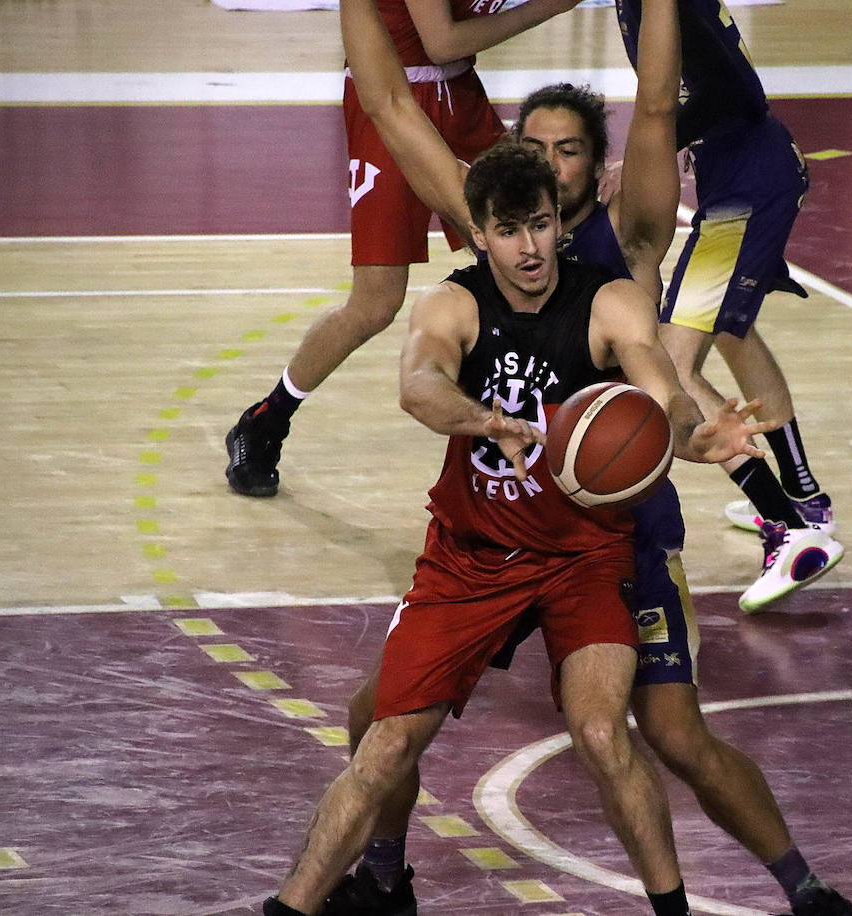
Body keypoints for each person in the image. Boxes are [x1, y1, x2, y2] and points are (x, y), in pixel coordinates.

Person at [317, 1, 852, 914]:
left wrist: (695, 433)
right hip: (497, 541)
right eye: (533, 147)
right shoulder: (497, 228)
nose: (550, 164)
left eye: (569, 149)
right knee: (375, 715)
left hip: (615, 545)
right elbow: (390, 103)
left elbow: (655, 105)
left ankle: (804, 890)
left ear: (595, 166)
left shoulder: (630, 243)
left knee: (675, 737)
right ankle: (383, 877)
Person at [262, 138, 775, 916]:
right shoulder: (453, 304)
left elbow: (660, 389)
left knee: (604, 735)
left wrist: (690, 436)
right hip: (472, 556)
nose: (528, 246)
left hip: (582, 557)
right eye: (508, 230)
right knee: (388, 738)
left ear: (558, 223)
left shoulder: (609, 301)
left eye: (538, 224)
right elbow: (417, 385)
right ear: (480, 235)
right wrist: (484, 419)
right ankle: (307, 903)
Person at [224, 0, 582, 498]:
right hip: (397, 93)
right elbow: (442, 41)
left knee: (528, 260)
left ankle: (527, 425)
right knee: (376, 302)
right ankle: (266, 419)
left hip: (459, 92)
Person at [613, 0, 843, 613]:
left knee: (670, 363)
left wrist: (643, 155)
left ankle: (791, 533)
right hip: (753, 176)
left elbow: (738, 94)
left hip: (745, 189)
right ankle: (805, 501)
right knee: (734, 336)